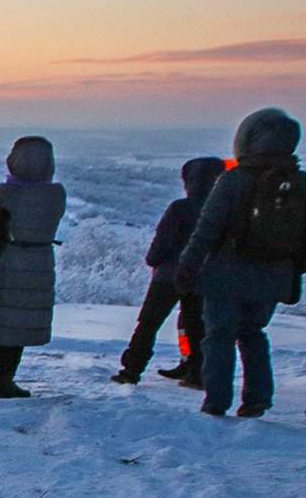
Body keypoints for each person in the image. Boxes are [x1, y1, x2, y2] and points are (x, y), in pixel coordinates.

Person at [177, 107, 303, 418]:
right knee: (253, 334)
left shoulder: (234, 181)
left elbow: (206, 230)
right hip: (274, 275)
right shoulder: (299, 184)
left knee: (218, 336)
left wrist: (187, 266)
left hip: (225, 273)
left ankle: (216, 402)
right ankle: (257, 400)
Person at [112, 157, 226, 386]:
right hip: (202, 276)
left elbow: (162, 241)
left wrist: (152, 260)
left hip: (168, 276)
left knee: (148, 323)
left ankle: (131, 371)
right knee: (195, 325)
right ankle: (195, 372)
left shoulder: (180, 208)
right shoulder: (222, 210)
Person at [0, 136, 66, 398]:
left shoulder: (2, 193)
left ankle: (1, 379)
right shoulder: (56, 195)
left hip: (5, 260)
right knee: (21, 320)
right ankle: (8, 378)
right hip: (40, 262)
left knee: (3, 321)